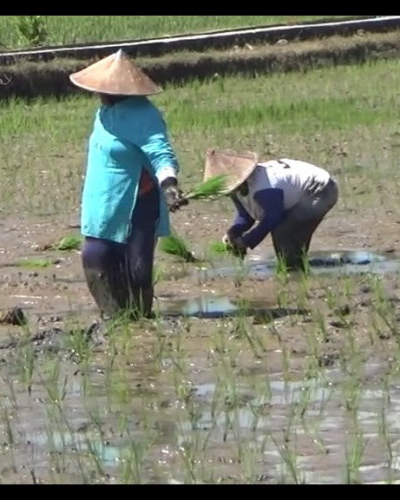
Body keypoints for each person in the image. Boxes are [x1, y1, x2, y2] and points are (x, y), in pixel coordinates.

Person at [68, 49, 187, 321]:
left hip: (137, 202)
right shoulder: (105, 111)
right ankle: (113, 316)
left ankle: (140, 319)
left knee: (137, 269)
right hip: (102, 200)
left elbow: (161, 152)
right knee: (95, 254)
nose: (97, 94)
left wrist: (169, 184)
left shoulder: (144, 115)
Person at [202, 149, 339, 271]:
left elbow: (273, 217)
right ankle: (294, 268)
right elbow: (246, 215)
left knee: (284, 231)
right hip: (301, 192)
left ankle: (294, 273)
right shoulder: (237, 188)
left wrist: (247, 241)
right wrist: (233, 233)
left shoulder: (264, 187)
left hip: (321, 191)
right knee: (290, 237)